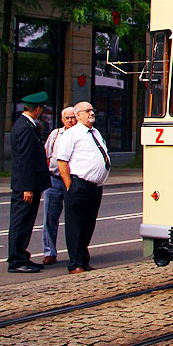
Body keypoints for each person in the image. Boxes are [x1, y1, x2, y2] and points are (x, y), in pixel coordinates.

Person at [55, 101, 111, 274]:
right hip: (78, 185)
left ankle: (84, 260)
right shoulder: (71, 134)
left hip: (94, 187)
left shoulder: (95, 132)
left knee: (88, 225)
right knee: (75, 225)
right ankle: (75, 264)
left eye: (92, 110)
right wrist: (69, 186)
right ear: (78, 115)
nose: (91, 113)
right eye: (87, 111)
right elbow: (62, 161)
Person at [7, 91, 51, 273]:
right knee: (21, 222)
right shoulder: (25, 128)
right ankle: (16, 260)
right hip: (25, 186)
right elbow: (24, 160)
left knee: (26, 222)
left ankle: (21, 255)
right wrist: (26, 188)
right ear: (38, 109)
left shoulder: (25, 125)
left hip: (29, 184)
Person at [42, 107, 77, 266]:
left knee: (75, 218)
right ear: (62, 120)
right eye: (67, 118)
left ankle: (76, 253)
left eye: (73, 117)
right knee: (50, 217)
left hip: (73, 180)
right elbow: (48, 155)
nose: (70, 120)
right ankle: (49, 252)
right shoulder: (56, 134)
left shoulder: (80, 135)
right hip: (55, 180)